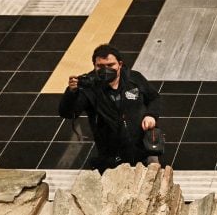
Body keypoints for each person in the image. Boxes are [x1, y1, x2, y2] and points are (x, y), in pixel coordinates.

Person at [59, 44, 161, 173]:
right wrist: (71, 93)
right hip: (111, 153)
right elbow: (68, 113)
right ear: (94, 66)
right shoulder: (88, 87)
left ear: (120, 64)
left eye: (110, 65)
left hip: (143, 147)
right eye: (100, 66)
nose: (106, 70)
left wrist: (151, 115)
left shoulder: (134, 78)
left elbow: (154, 98)